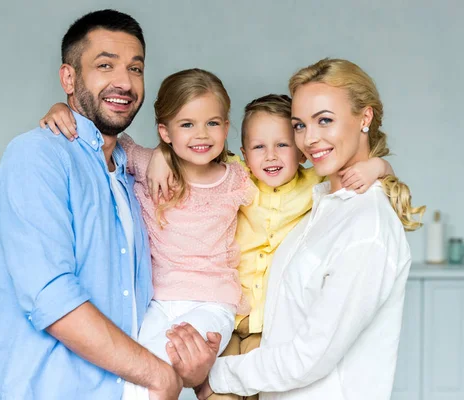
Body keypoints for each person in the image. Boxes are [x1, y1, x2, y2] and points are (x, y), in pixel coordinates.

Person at [43, 90, 393, 400]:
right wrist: (162, 152)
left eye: (283, 145)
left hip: (268, 326)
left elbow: (346, 163)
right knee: (169, 374)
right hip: (226, 315)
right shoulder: (241, 177)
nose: (270, 156)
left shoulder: (312, 184)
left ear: (301, 152)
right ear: (243, 152)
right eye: (259, 147)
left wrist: (378, 165)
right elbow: (134, 147)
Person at [164, 58, 426, 400]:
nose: (310, 139)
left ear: (365, 117)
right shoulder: (322, 206)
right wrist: (161, 154)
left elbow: (309, 356)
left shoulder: (367, 227)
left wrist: (211, 374)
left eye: (325, 121)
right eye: (300, 125)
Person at [0, 10, 183, 400]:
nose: (124, 82)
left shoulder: (131, 171)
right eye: (105, 65)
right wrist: (157, 375)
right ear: (68, 78)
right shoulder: (36, 156)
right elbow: (51, 297)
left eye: (135, 68)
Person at [41, 68, 256, 400]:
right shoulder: (144, 164)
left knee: (164, 371)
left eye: (212, 123)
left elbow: (291, 170)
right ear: (165, 132)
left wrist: (369, 167)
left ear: (226, 127)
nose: (201, 134)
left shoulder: (238, 178)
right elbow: (101, 135)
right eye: (187, 124)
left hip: (212, 303)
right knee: (134, 381)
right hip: (157, 303)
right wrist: (62, 110)